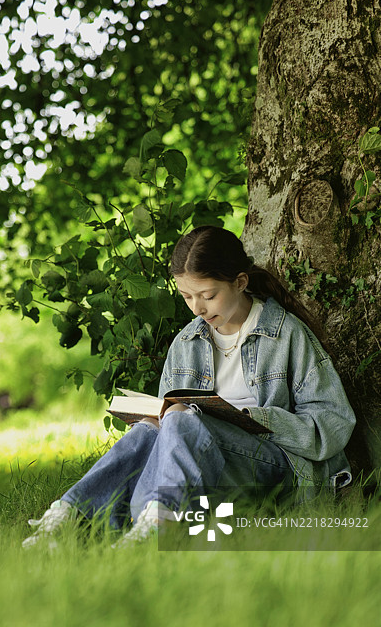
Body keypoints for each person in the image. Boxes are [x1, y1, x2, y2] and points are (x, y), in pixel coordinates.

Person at [22, 225, 356, 548]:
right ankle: (68, 518)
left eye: (208, 295)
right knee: (149, 430)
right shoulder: (186, 342)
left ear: (240, 282)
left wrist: (251, 418)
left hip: (271, 470)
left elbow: (332, 423)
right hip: (202, 468)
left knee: (183, 419)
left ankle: (159, 524)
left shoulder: (286, 334)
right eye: (186, 296)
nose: (197, 308)